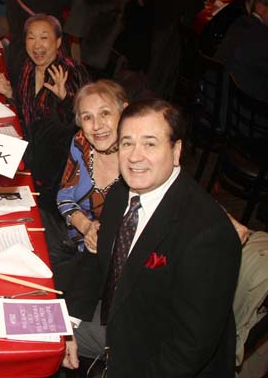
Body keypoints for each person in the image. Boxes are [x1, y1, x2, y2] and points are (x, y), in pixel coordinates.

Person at [62, 99, 241, 377]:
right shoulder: (122, 193)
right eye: (127, 143)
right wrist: (68, 325)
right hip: (122, 319)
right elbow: (100, 261)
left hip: (155, 356)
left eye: (150, 143)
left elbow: (189, 348)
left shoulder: (208, 235)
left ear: (176, 150)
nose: (135, 156)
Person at [55, 80, 127, 265]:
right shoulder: (82, 143)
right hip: (74, 245)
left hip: (119, 260)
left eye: (105, 113)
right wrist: (86, 226)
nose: (96, 125)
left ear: (124, 113)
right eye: (87, 117)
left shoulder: (137, 160)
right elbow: (64, 196)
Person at [0, 14, 89, 134]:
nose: (37, 45)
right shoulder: (29, 68)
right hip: (31, 143)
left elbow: (83, 121)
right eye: (31, 38)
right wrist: (10, 93)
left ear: (58, 42)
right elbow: (29, 113)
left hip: (60, 150)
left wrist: (66, 100)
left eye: (44, 38)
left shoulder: (71, 71)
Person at [215, 0, 268, 101]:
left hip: (217, 96)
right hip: (243, 109)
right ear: (260, 7)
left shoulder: (239, 24)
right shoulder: (262, 35)